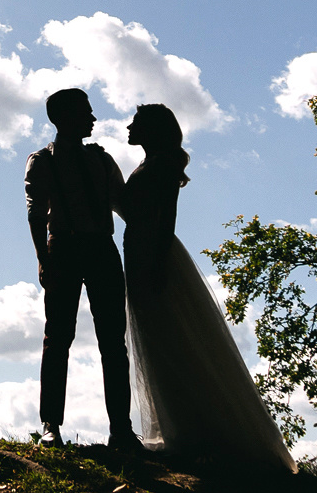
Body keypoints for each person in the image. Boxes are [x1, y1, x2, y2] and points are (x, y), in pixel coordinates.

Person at [121, 103, 296, 471]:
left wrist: (156, 261)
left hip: (152, 251)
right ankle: (180, 430)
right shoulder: (152, 164)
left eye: (136, 123)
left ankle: (196, 434)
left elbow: (166, 215)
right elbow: (133, 210)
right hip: (139, 250)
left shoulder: (162, 166)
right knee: (158, 342)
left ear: (152, 129)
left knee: (174, 341)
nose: (128, 127)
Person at [25, 87, 142, 451]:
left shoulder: (102, 160)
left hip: (102, 249)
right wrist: (43, 259)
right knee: (57, 338)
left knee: (114, 342)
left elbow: (124, 205)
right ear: (64, 117)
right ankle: (50, 425)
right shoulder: (42, 160)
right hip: (63, 247)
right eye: (85, 112)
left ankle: (121, 429)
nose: (93, 118)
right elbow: (34, 212)